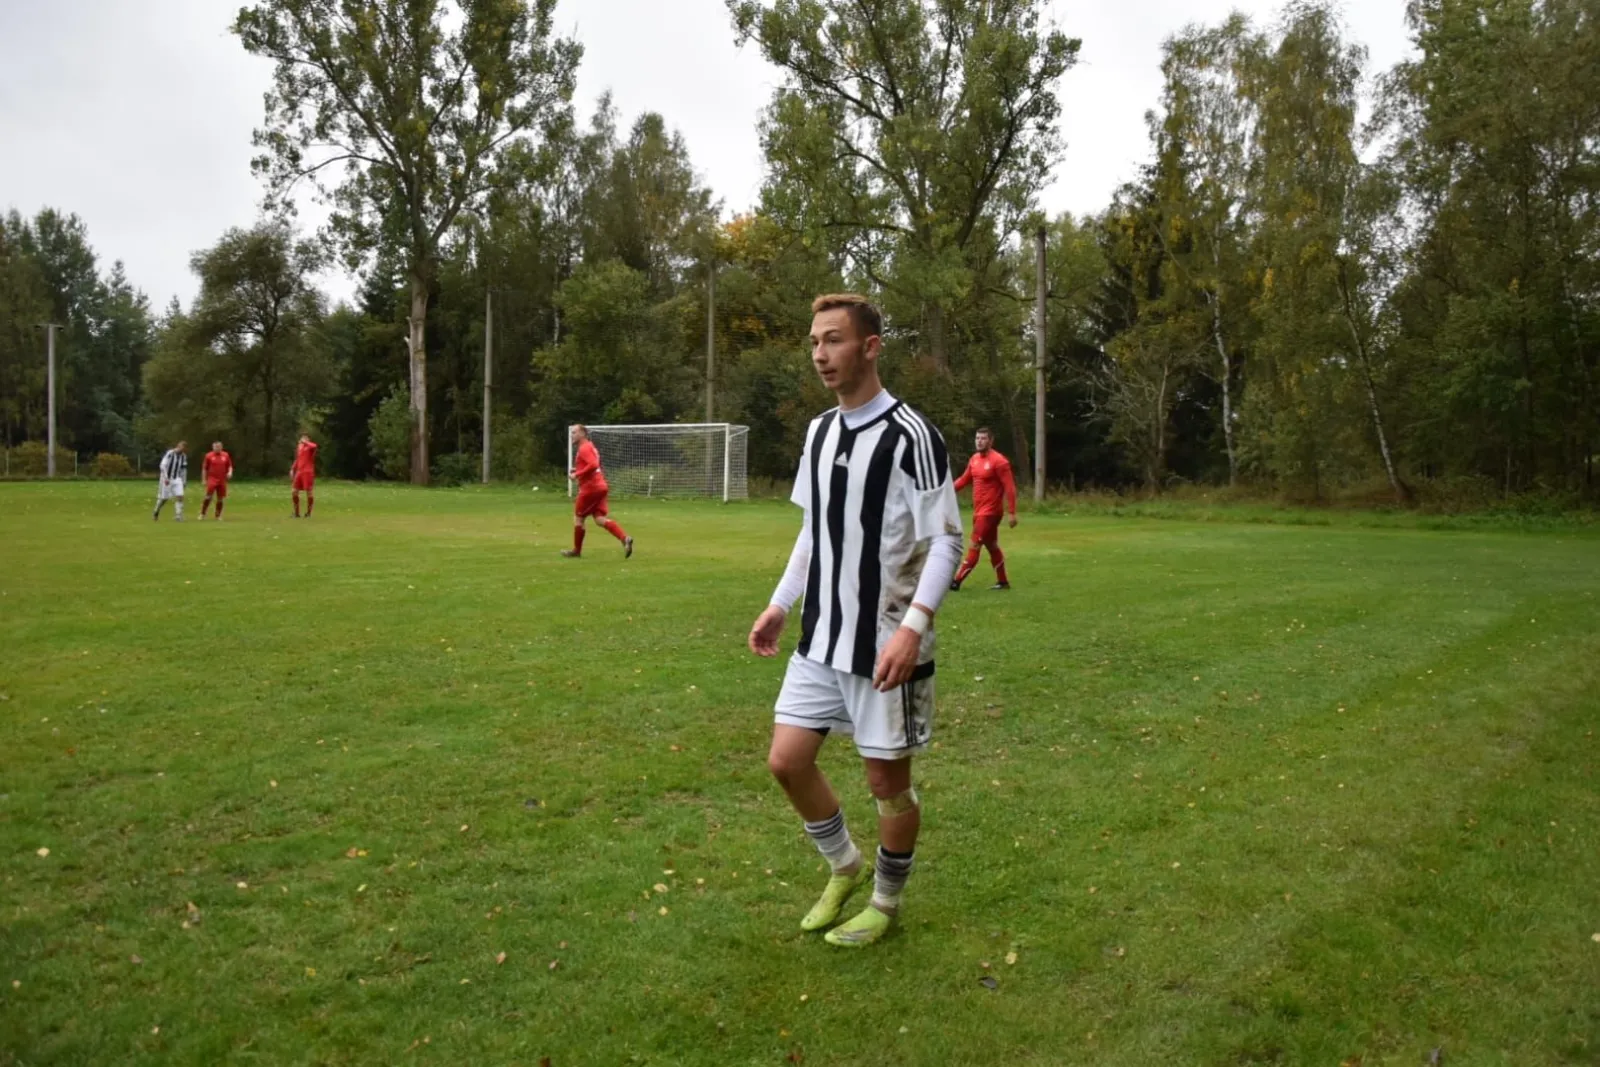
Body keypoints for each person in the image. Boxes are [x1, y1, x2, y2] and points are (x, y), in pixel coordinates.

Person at [747, 293, 963, 948]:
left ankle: (885, 903)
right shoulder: (819, 432)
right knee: (787, 761)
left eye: (834, 340)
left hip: (885, 641)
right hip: (821, 637)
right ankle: (844, 865)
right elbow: (813, 531)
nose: (820, 354)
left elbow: (945, 540)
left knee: (886, 785)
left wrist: (912, 627)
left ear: (870, 347)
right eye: (815, 341)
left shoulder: (912, 435)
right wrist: (781, 602)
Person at [950, 427, 1018, 591]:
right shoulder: (974, 459)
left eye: (983, 438)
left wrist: (1012, 512)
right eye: (977, 438)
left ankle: (956, 582)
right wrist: (946, 491)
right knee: (992, 546)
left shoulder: (999, 461)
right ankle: (1003, 582)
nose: (979, 441)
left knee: (974, 545)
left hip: (990, 513)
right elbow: (964, 480)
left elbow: (1010, 487)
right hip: (979, 511)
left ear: (991, 441)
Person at [562, 424, 633, 559]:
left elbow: (593, 465)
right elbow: (593, 465)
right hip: (600, 486)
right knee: (600, 519)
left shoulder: (584, 448)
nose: (572, 435)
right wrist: (578, 470)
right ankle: (625, 539)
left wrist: (577, 474)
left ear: (583, 433)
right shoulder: (590, 446)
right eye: (572, 432)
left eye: (575, 432)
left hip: (591, 488)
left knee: (579, 519)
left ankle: (576, 551)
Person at [152, 441, 188, 522]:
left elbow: (184, 469)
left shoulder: (183, 456)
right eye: (181, 448)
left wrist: (184, 480)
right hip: (166, 478)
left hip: (177, 478)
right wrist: (166, 478)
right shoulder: (170, 453)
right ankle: (156, 511)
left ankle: (178, 515)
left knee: (180, 496)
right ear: (178, 446)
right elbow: (162, 465)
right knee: (164, 498)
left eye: (184, 449)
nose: (182, 450)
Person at [198, 441, 233, 521]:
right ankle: (202, 514)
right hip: (212, 479)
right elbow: (204, 468)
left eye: (219, 447)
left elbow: (230, 466)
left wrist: (230, 472)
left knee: (220, 498)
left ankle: (218, 515)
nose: (217, 448)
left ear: (221, 447)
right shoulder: (208, 456)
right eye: (215, 447)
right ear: (213, 447)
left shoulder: (225, 455)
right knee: (208, 496)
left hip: (222, 479)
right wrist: (204, 479)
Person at [290, 434, 318, 518]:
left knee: (309, 492)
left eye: (305, 438)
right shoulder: (299, 447)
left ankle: (308, 513)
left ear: (308, 440)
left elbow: (314, 446)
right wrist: (292, 469)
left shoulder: (310, 447)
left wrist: (305, 442)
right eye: (302, 438)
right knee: (294, 491)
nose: (302, 439)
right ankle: (296, 513)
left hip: (308, 472)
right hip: (299, 472)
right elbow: (298, 459)